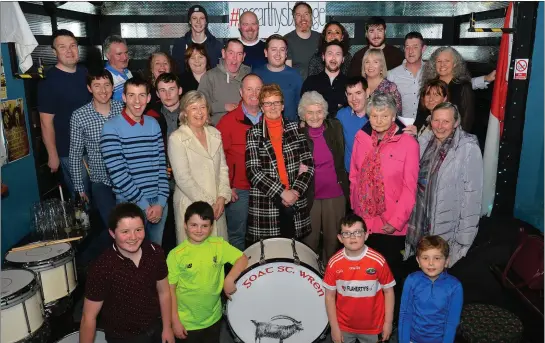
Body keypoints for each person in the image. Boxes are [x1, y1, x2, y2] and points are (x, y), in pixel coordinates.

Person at [79, 203, 175, 343]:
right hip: (123, 338)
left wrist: (167, 328)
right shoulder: (101, 267)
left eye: (138, 229)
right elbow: (88, 317)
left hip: (156, 329)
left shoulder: (156, 252)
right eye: (125, 232)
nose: (133, 237)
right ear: (112, 233)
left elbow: (164, 293)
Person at [349, 92, 419, 282]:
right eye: (374, 116)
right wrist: (356, 211)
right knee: (365, 277)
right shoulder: (361, 138)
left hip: (391, 223)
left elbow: (410, 187)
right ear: (368, 116)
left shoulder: (408, 143)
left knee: (389, 278)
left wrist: (396, 222)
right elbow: (354, 177)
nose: (379, 120)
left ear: (393, 116)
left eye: (385, 115)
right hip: (364, 221)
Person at [405, 102, 483, 267]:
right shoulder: (425, 141)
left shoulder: (468, 148)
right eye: (436, 120)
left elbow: (472, 198)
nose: (440, 126)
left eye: (446, 122)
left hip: (446, 233)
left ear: (456, 123)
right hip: (419, 227)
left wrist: (463, 243)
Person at [101, 77, 170, 245]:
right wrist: (145, 205)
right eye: (131, 95)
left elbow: (162, 165)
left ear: (148, 98)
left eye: (141, 96)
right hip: (130, 206)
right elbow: (118, 174)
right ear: (123, 97)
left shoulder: (153, 124)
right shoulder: (111, 127)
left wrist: (161, 202)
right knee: (132, 260)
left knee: (154, 258)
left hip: (158, 205)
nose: (137, 101)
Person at [167, 201, 248, 343]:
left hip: (214, 319)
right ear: (185, 225)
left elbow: (242, 258)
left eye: (204, 226)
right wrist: (175, 322)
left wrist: (229, 279)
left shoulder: (219, 245)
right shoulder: (176, 255)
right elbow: (170, 290)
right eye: (194, 225)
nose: (199, 230)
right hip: (187, 323)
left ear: (211, 227)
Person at [245, 84, 314, 243]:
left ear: (283, 105)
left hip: (295, 201)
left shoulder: (296, 128)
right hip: (268, 203)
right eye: (268, 103)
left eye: (276, 102)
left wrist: (295, 192)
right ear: (262, 107)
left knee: (295, 253)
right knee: (271, 255)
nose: (272, 107)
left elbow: (307, 164)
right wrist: (283, 193)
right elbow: (253, 171)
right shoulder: (253, 133)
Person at [69, 69, 123, 262]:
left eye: (107, 85)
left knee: (127, 226)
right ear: (89, 88)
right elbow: (75, 154)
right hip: (101, 181)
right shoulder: (79, 116)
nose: (103, 90)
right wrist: (79, 187)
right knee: (113, 225)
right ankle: (86, 260)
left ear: (113, 87)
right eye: (97, 86)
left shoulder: (122, 109)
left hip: (126, 180)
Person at [168, 90, 231, 243]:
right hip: (192, 206)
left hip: (217, 206)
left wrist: (222, 197)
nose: (199, 112)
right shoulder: (177, 138)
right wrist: (209, 204)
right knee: (195, 259)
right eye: (193, 108)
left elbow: (223, 169)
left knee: (217, 255)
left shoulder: (215, 134)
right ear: (184, 113)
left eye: (202, 107)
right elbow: (183, 179)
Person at [324, 213, 395, 343]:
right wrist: (334, 328)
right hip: (344, 327)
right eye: (347, 233)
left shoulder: (378, 261)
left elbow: (389, 291)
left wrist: (388, 322)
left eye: (357, 232)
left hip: (374, 327)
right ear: (340, 238)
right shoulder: (333, 263)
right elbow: (329, 296)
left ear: (366, 235)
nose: (352, 237)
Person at [389, 33, 494, 120]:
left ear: (423, 48)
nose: (410, 51)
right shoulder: (392, 75)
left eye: (415, 47)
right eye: (407, 47)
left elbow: (460, 85)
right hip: (407, 129)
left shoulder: (432, 71)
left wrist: (486, 78)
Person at [38, 29, 91, 198]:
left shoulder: (85, 73)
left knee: (99, 195)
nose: (69, 51)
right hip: (69, 152)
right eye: (62, 47)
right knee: (82, 200)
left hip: (93, 148)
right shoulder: (49, 81)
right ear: (54, 52)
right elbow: (45, 122)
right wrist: (52, 154)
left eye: (72, 46)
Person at [216, 74, 263, 250]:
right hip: (239, 189)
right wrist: (227, 185)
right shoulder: (227, 122)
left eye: (258, 89)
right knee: (237, 235)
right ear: (241, 92)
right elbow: (218, 157)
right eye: (249, 89)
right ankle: (238, 276)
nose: (254, 93)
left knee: (263, 236)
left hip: (266, 189)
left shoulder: (270, 119)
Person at [299, 91, 348, 261]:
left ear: (325, 112)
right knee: (309, 242)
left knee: (333, 242)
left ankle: (331, 280)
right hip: (309, 196)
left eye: (319, 112)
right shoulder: (297, 135)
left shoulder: (335, 128)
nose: (314, 116)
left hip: (335, 195)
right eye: (310, 112)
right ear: (302, 114)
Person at [399, 235, 463, 343]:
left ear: (446, 261)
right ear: (418, 261)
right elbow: (405, 314)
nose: (431, 263)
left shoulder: (455, 287)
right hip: (412, 340)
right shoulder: (411, 280)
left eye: (437, 258)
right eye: (425, 258)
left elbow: (452, 322)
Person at [155, 72, 184, 253]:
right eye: (162, 90)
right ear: (157, 94)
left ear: (180, 90)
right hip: (163, 182)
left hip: (187, 182)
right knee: (166, 233)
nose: (168, 94)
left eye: (172, 89)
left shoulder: (191, 114)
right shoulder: (152, 117)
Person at [421, 46, 475, 132]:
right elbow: (421, 114)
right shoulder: (429, 85)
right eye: (439, 61)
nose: (442, 64)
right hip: (428, 135)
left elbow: (467, 119)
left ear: (455, 63)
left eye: (447, 61)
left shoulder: (464, 86)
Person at [198, 39, 251, 125]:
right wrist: (223, 106)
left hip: (245, 130)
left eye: (239, 54)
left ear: (243, 57)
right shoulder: (210, 77)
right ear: (223, 53)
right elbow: (199, 106)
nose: (235, 57)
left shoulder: (250, 76)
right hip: (216, 132)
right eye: (231, 53)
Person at [254, 34, 302, 123]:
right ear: (266, 52)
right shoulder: (256, 75)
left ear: (286, 53)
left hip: (290, 129)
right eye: (274, 49)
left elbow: (300, 106)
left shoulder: (295, 75)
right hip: (262, 128)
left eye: (282, 50)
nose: (278, 54)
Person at [301, 40, 348, 116]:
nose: (333, 58)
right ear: (323, 57)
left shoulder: (349, 84)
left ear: (343, 59)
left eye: (338, 54)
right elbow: (304, 110)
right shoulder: (310, 82)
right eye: (330, 54)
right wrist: (337, 105)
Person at [172, 5, 223, 71]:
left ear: (206, 21)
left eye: (202, 18)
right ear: (190, 21)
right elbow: (176, 72)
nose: (198, 22)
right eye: (194, 18)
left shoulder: (216, 46)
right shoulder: (180, 45)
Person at [336, 76, 369, 173]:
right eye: (350, 94)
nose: (354, 98)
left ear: (367, 93)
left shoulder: (379, 115)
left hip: (373, 175)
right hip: (350, 174)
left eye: (358, 93)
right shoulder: (342, 115)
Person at [284, 1, 321, 80]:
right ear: (294, 18)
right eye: (298, 15)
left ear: (311, 17)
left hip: (319, 88)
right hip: (298, 88)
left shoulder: (321, 39)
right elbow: (287, 72)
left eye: (306, 14)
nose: (303, 18)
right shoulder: (286, 40)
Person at [362, 48, 402, 115]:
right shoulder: (359, 85)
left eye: (375, 62)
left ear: (381, 66)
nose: (370, 66)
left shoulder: (390, 88)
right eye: (367, 62)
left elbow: (397, 114)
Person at [104, 35, 132, 101]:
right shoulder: (105, 77)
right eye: (119, 54)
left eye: (126, 53)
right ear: (108, 55)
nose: (125, 57)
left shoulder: (127, 71)